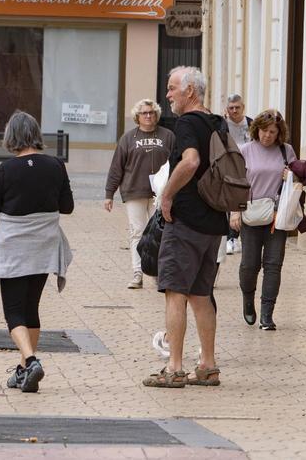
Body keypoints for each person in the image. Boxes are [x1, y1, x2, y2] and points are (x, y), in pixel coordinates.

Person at [143, 66, 227, 388]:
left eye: (172, 88)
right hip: (212, 222)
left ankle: (174, 368)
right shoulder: (217, 123)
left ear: (190, 91)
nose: (168, 95)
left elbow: (190, 161)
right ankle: (208, 365)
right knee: (202, 294)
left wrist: (167, 195)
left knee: (175, 293)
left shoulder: (189, 123)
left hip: (187, 220)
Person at [0, 111, 74, 393]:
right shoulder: (56, 166)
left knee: (14, 313)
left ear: (11, 136)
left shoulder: (6, 170)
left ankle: (31, 361)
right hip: (44, 248)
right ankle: (23, 371)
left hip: (13, 251)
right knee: (31, 309)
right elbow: (67, 206)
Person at [233, 109, 297, 331]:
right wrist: (235, 212)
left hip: (277, 216)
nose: (267, 135)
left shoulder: (286, 151)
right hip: (250, 214)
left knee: (273, 265)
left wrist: (292, 177)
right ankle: (248, 299)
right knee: (250, 265)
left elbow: (297, 183)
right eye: (264, 130)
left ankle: (267, 315)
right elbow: (236, 184)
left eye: (272, 132)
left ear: (279, 133)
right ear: (256, 129)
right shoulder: (245, 151)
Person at [105, 99, 175, 289]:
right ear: (137, 116)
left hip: (160, 193)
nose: (148, 116)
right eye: (144, 113)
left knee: (159, 233)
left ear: (157, 115)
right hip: (134, 191)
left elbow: (177, 163)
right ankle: (137, 273)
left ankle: (157, 272)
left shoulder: (168, 136)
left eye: (151, 112)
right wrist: (109, 193)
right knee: (137, 232)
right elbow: (116, 166)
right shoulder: (128, 138)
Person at [224, 94, 253, 255]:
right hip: (229, 166)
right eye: (231, 108)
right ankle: (231, 237)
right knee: (231, 201)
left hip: (248, 166)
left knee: (243, 200)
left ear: (243, 107)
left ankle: (237, 236)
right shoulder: (223, 124)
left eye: (237, 107)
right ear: (227, 109)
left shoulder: (251, 124)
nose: (234, 111)